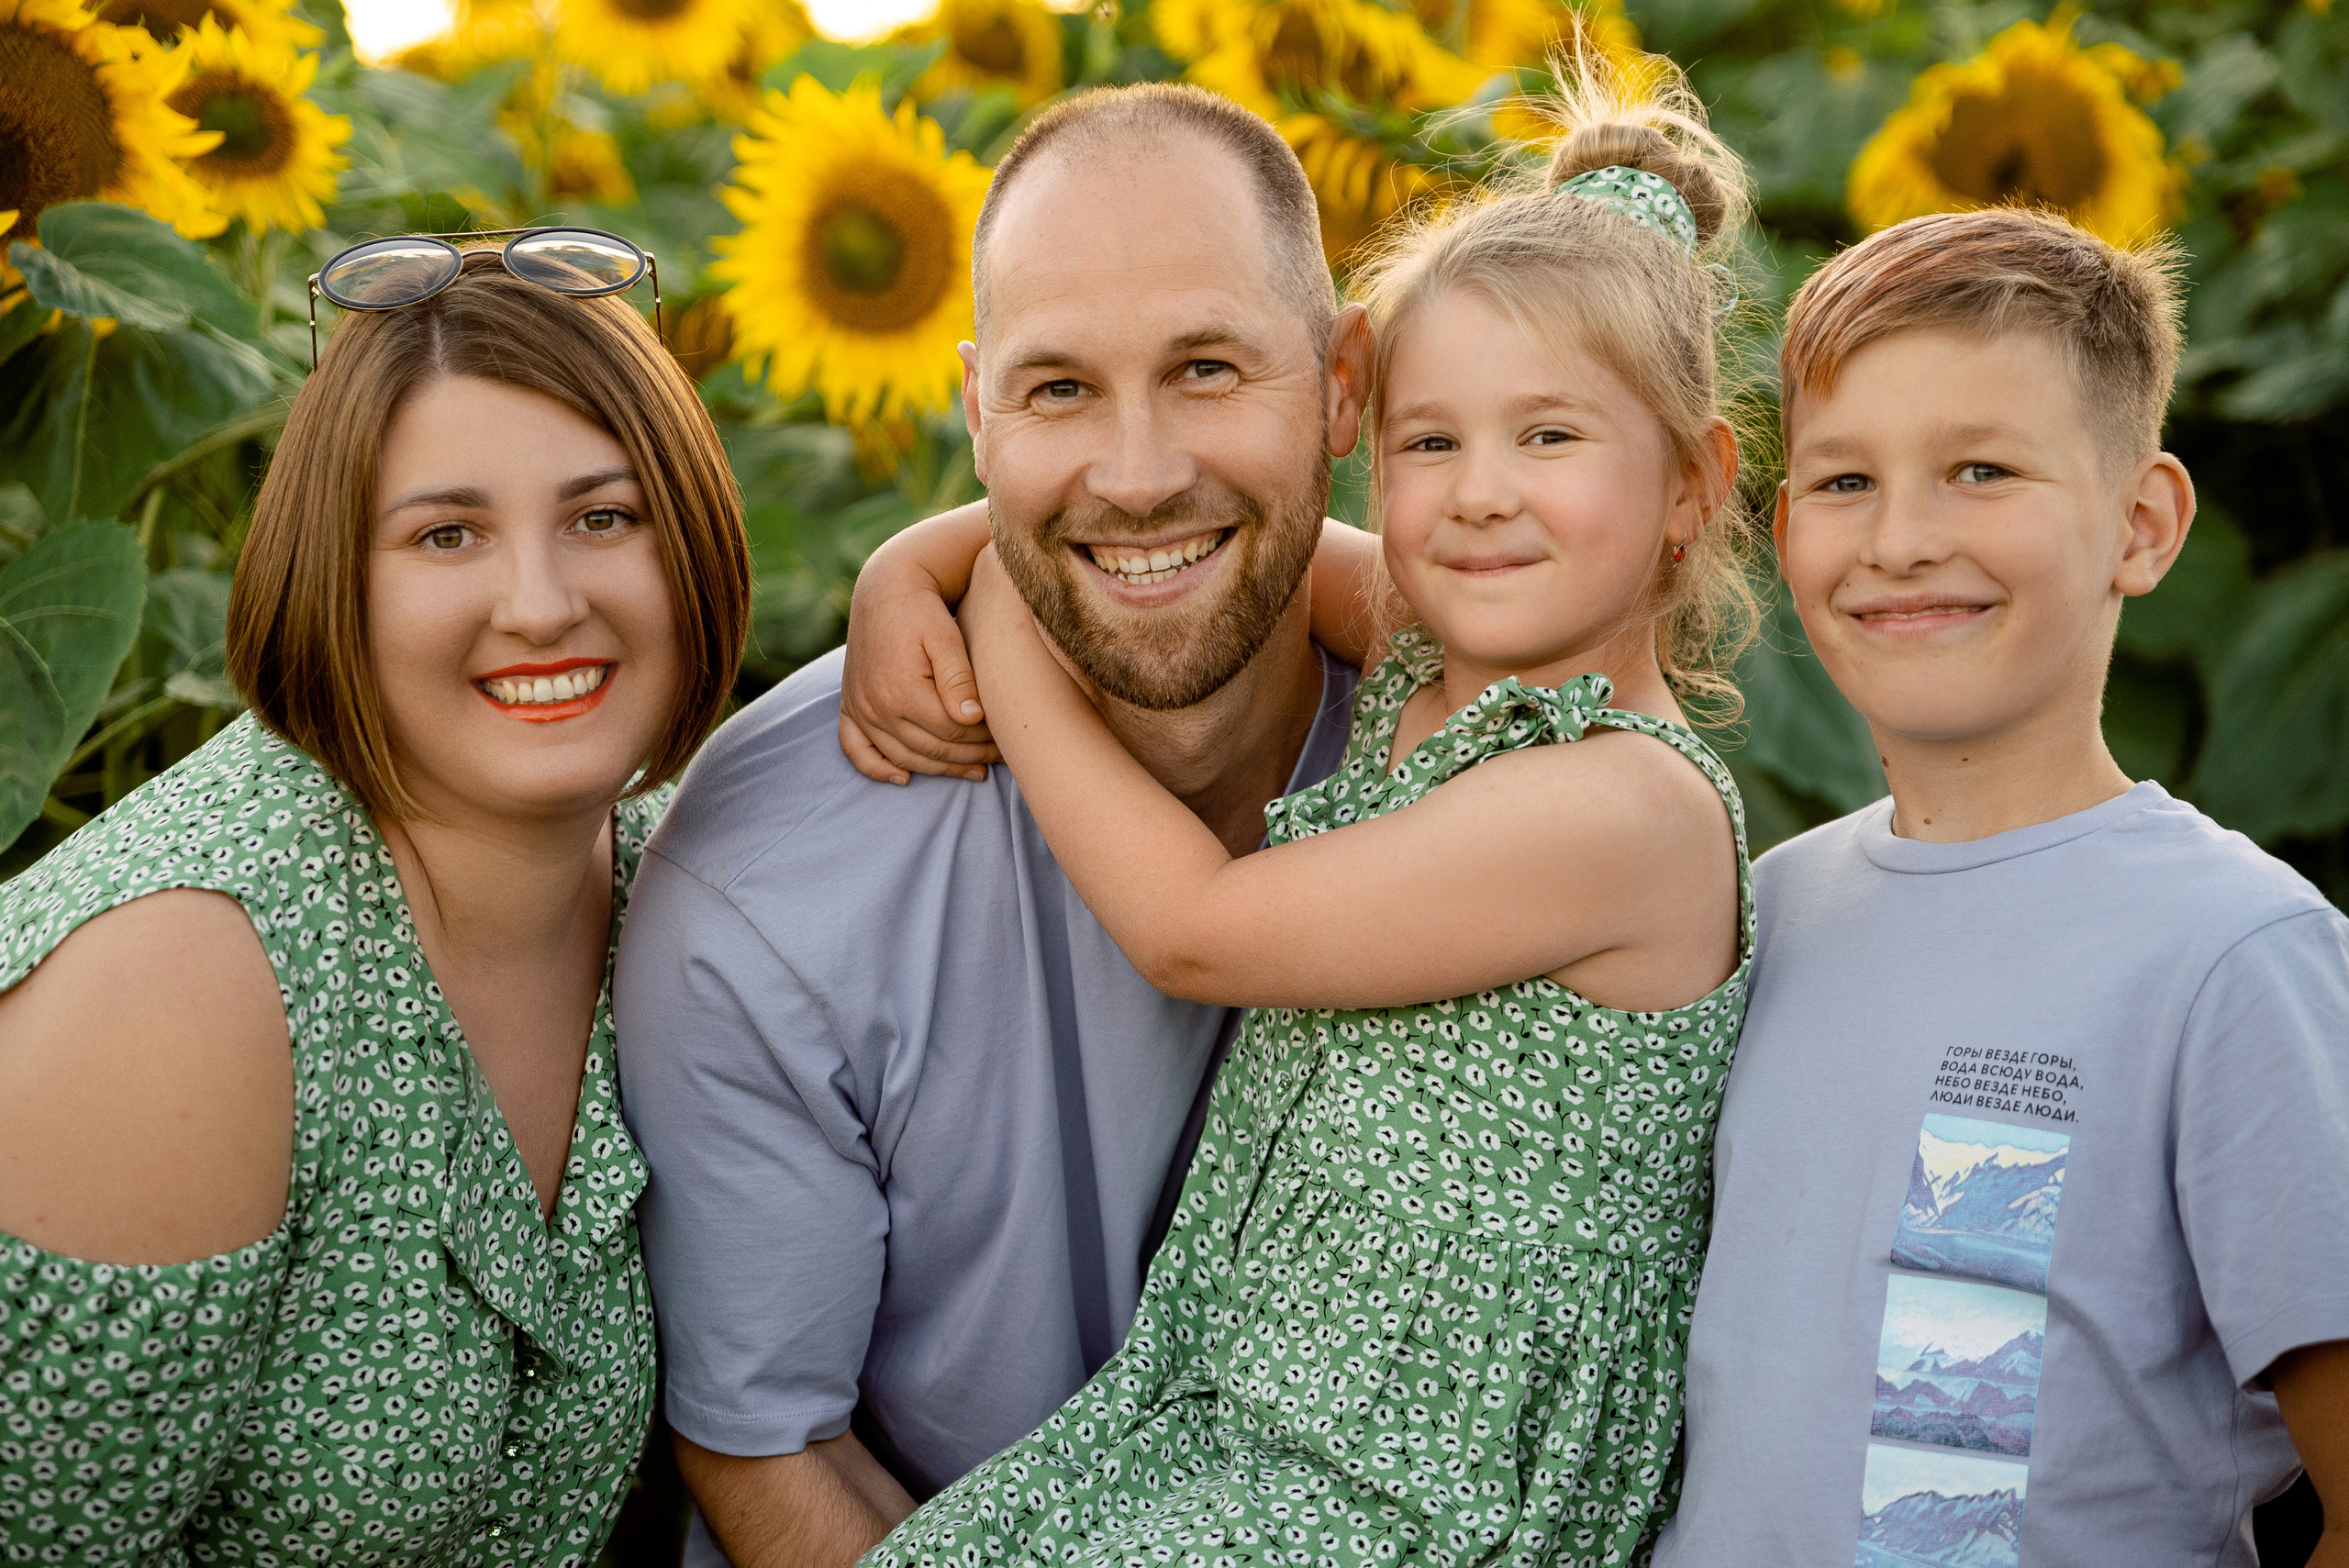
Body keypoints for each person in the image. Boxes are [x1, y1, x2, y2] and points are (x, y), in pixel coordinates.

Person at [851, 54, 1755, 1568]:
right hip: (1246, 1407)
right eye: (1431, 441)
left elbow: (1194, 930)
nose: (1477, 493)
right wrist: (919, 559)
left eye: (1551, 438)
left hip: (1411, 1485)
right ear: (1360, 429)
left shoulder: (1621, 808)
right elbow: (1144, 518)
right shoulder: (1437, 652)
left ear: (1690, 485)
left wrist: (1006, 621)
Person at [611, 83, 1371, 1568]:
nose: (1140, 471)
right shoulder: (765, 894)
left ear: (1345, 383)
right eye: (1059, 389)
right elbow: (768, 1445)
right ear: (976, 413)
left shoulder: (1491, 755)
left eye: (1208, 368)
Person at [0, 248, 751, 1563]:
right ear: (333, 577)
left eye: (605, 516)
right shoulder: (188, 981)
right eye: (446, 533)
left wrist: (921, 567)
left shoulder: (669, 882)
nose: (541, 602)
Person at [1648, 207, 2349, 1567]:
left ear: (2140, 527)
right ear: (1784, 531)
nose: (1901, 538)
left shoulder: (2235, 953)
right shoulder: (1751, 917)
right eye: (1845, 483)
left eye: (1980, 469)